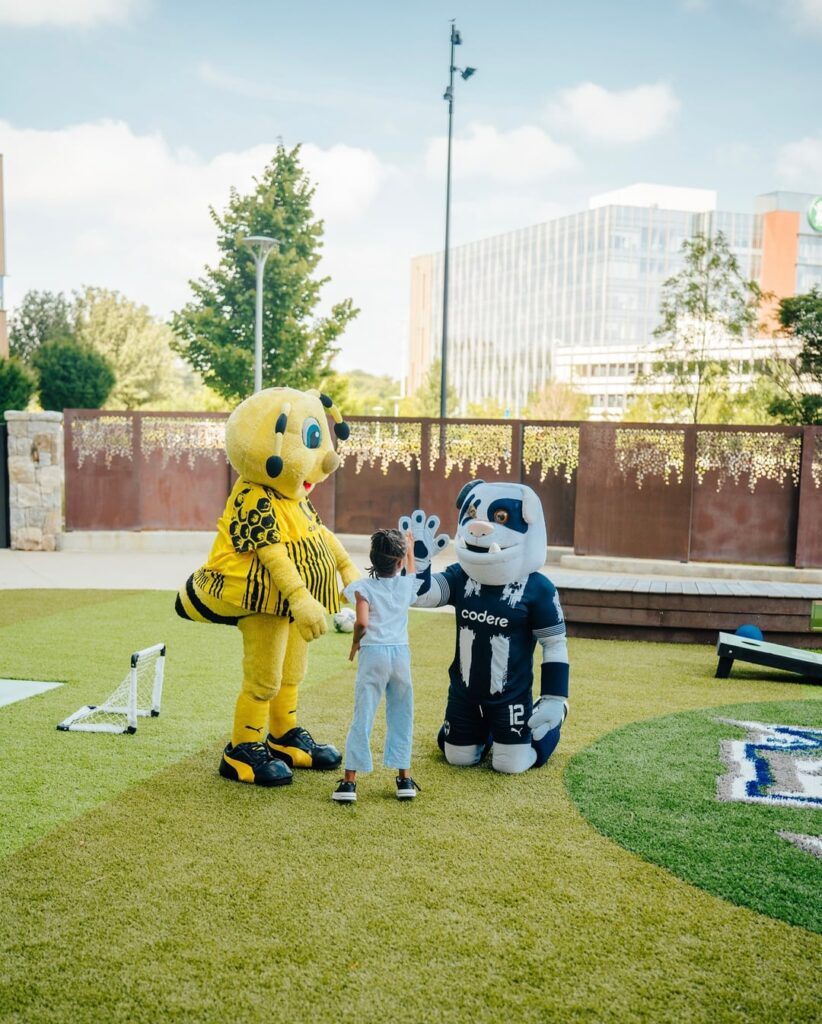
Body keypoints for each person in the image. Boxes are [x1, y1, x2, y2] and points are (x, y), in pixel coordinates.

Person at [332, 529, 422, 803]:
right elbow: (410, 570)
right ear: (399, 561)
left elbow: (361, 623)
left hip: (373, 656)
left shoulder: (363, 587)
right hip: (400, 656)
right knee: (402, 715)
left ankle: (349, 783)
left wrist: (355, 643)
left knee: (364, 714)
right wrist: (410, 548)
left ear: (372, 558)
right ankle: (404, 779)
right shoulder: (407, 585)